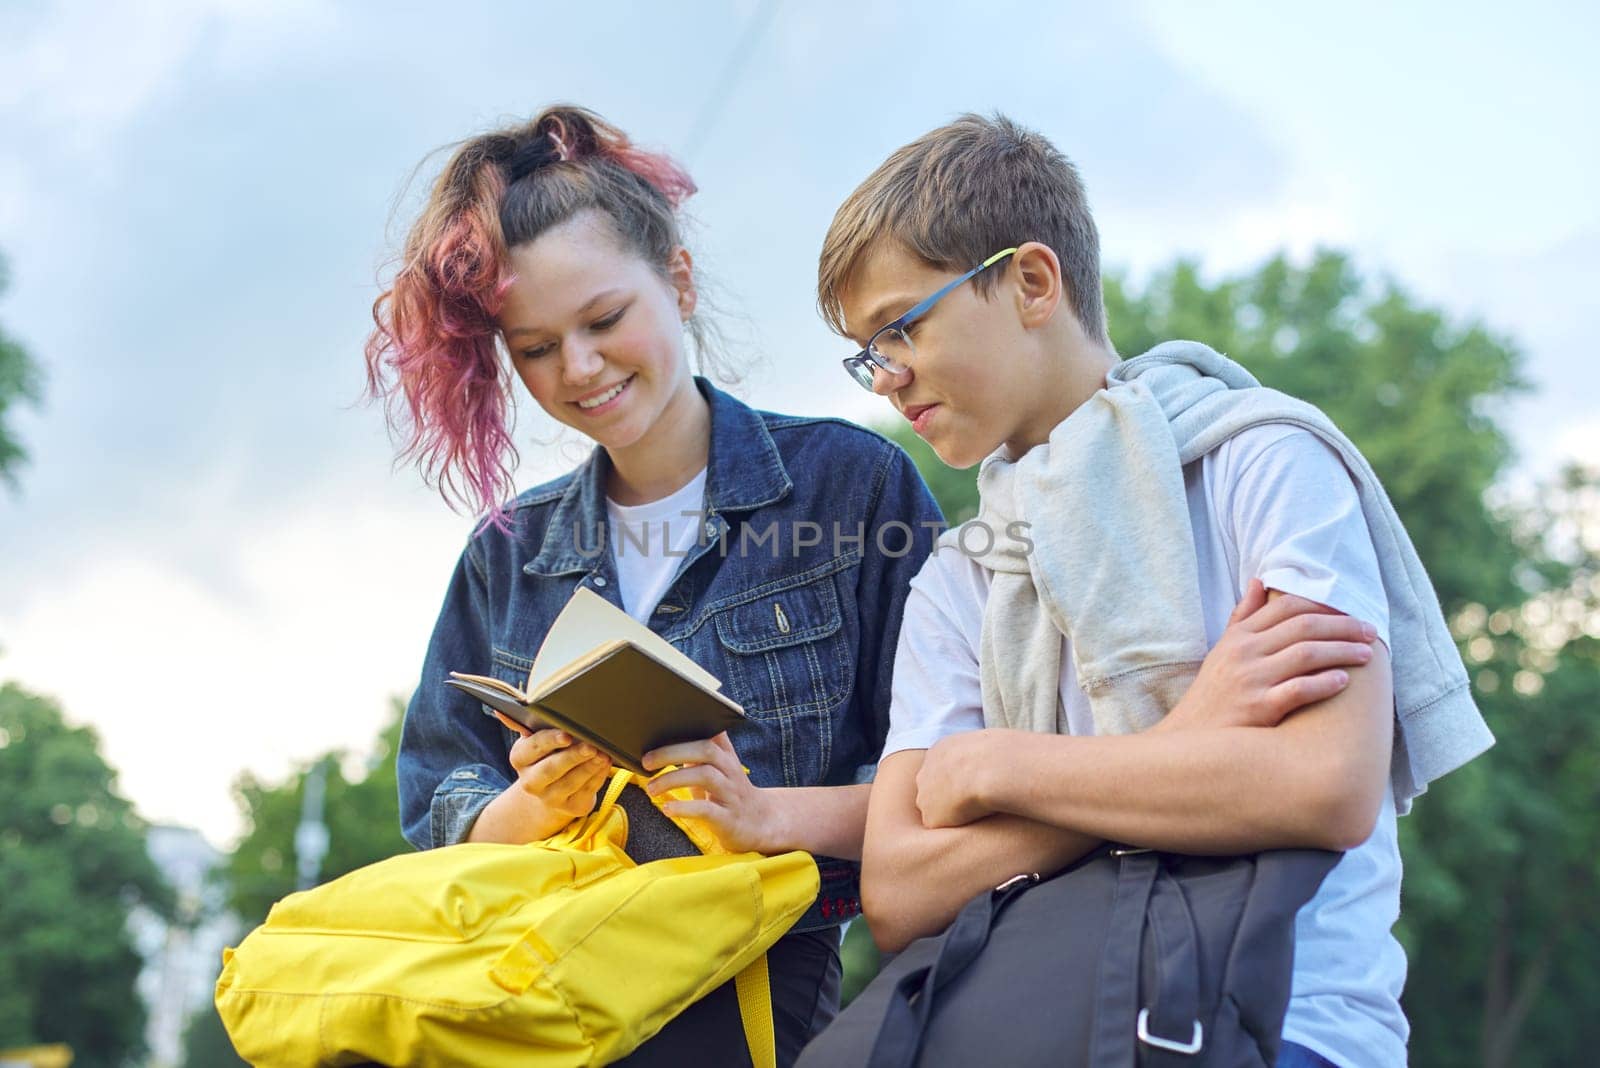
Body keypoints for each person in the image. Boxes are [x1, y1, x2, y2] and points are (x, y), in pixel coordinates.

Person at [815, 114, 1491, 1068]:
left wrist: (998, 767)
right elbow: (900, 888)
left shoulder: (1263, 462)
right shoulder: (960, 576)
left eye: (902, 326)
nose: (886, 377)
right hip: (1049, 1028)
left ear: (1032, 282)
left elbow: (1325, 785)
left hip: (1285, 1029)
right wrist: (1185, 742)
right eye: (865, 351)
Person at [364, 105, 944, 1066]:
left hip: (756, 1001)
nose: (579, 368)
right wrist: (526, 812)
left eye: (603, 320)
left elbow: (945, 774)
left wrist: (763, 815)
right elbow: (438, 798)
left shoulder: (856, 488)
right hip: (539, 1003)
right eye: (537, 348)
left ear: (676, 278)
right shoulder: (506, 552)